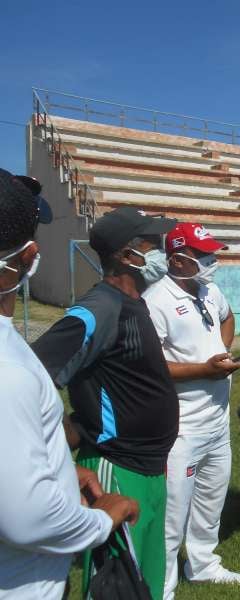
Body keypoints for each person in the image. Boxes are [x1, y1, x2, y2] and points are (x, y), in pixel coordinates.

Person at [0, 170, 140, 599]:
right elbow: (26, 519)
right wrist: (105, 519)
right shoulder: (10, 372)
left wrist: (58, 470)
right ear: (28, 256)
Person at [33, 206, 180, 599]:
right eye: (155, 244)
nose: (163, 251)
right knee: (116, 587)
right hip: (116, 470)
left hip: (150, 469)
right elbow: (32, 377)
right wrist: (72, 434)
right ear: (126, 255)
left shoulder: (134, 302)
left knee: (143, 583)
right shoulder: (100, 308)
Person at [142, 223, 240, 598]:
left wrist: (223, 349)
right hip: (182, 424)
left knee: (210, 500)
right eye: (204, 255)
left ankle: (203, 564)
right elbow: (150, 367)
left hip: (217, 420)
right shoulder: (156, 300)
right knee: (173, 513)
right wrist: (206, 369)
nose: (211, 261)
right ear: (178, 260)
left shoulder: (209, 290)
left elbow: (228, 316)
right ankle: (163, 586)